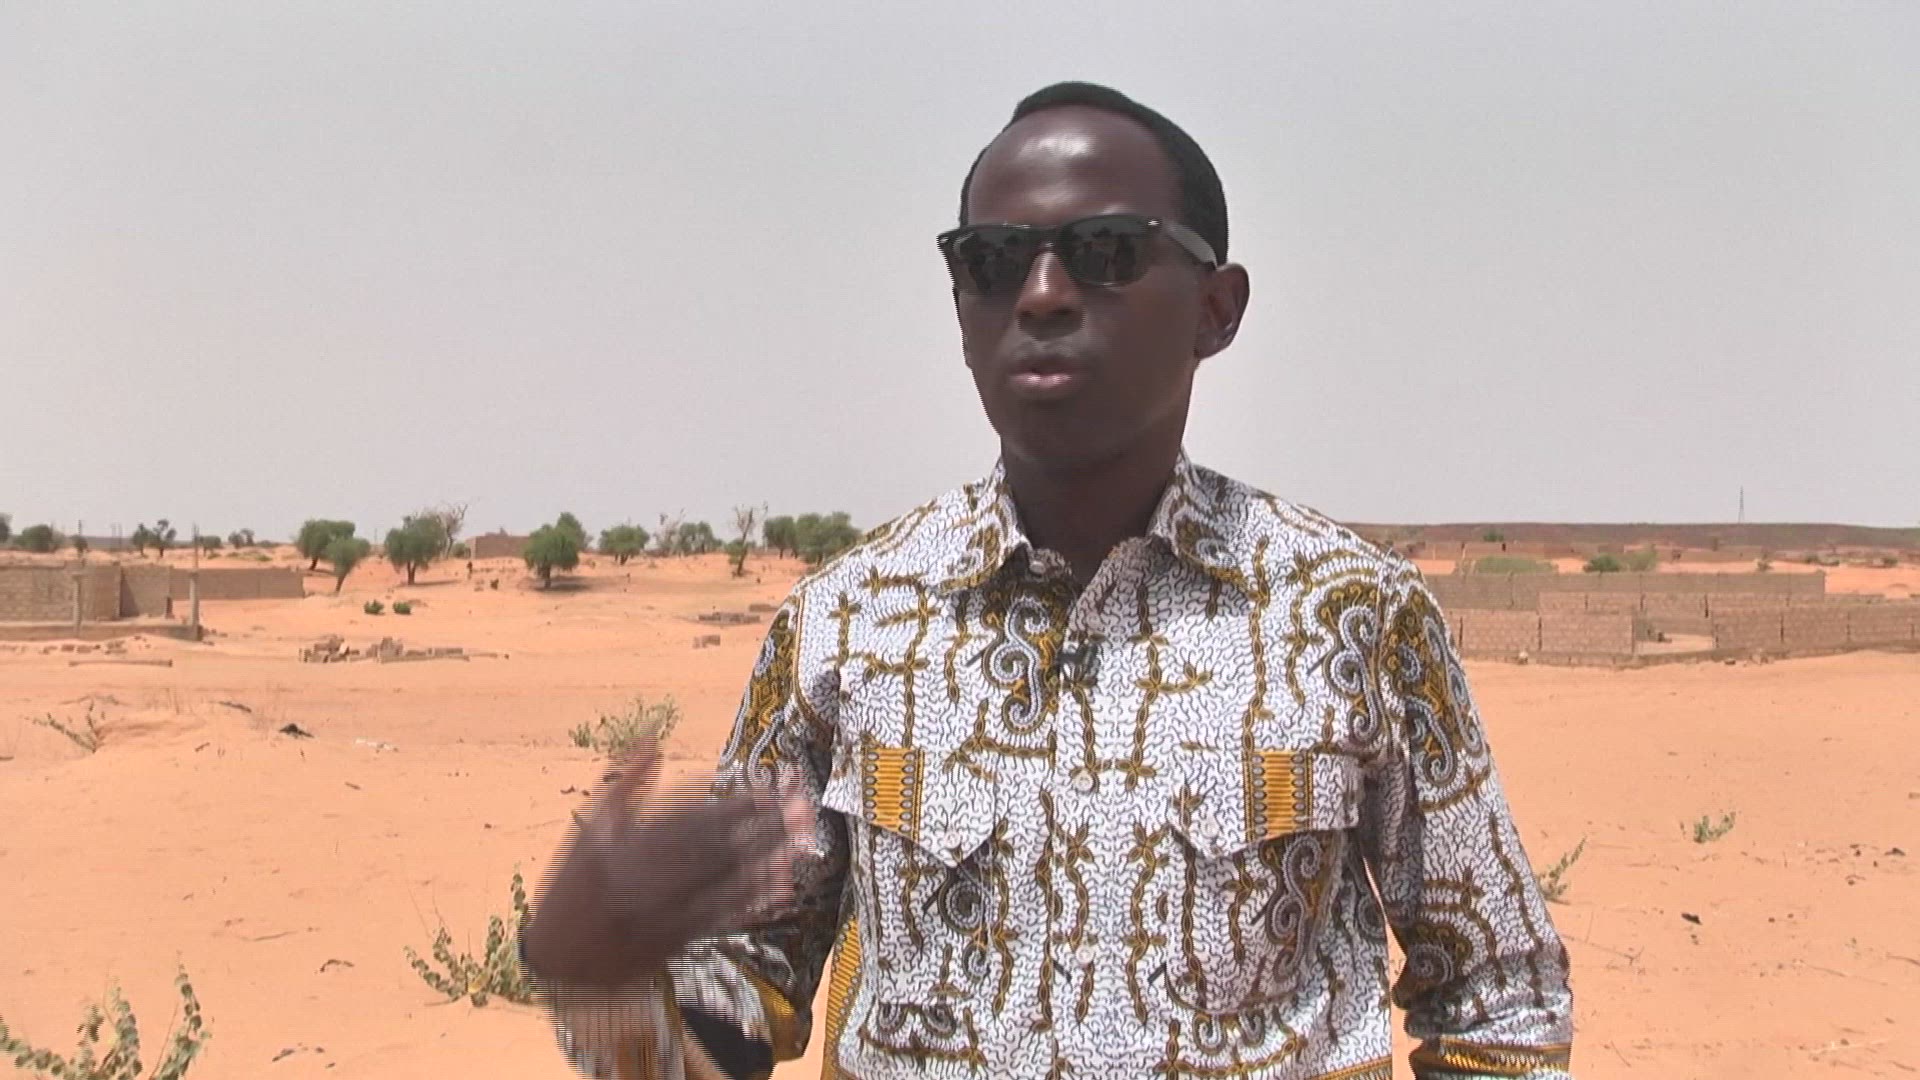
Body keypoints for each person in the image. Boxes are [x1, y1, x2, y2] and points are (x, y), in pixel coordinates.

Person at [519, 81, 1575, 1080]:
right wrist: (592, 978)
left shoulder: (1352, 615)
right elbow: (735, 1011)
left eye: (1107, 252)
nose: (1042, 294)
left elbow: (1500, 1001)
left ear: (1217, 308)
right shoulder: (849, 624)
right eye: (992, 261)